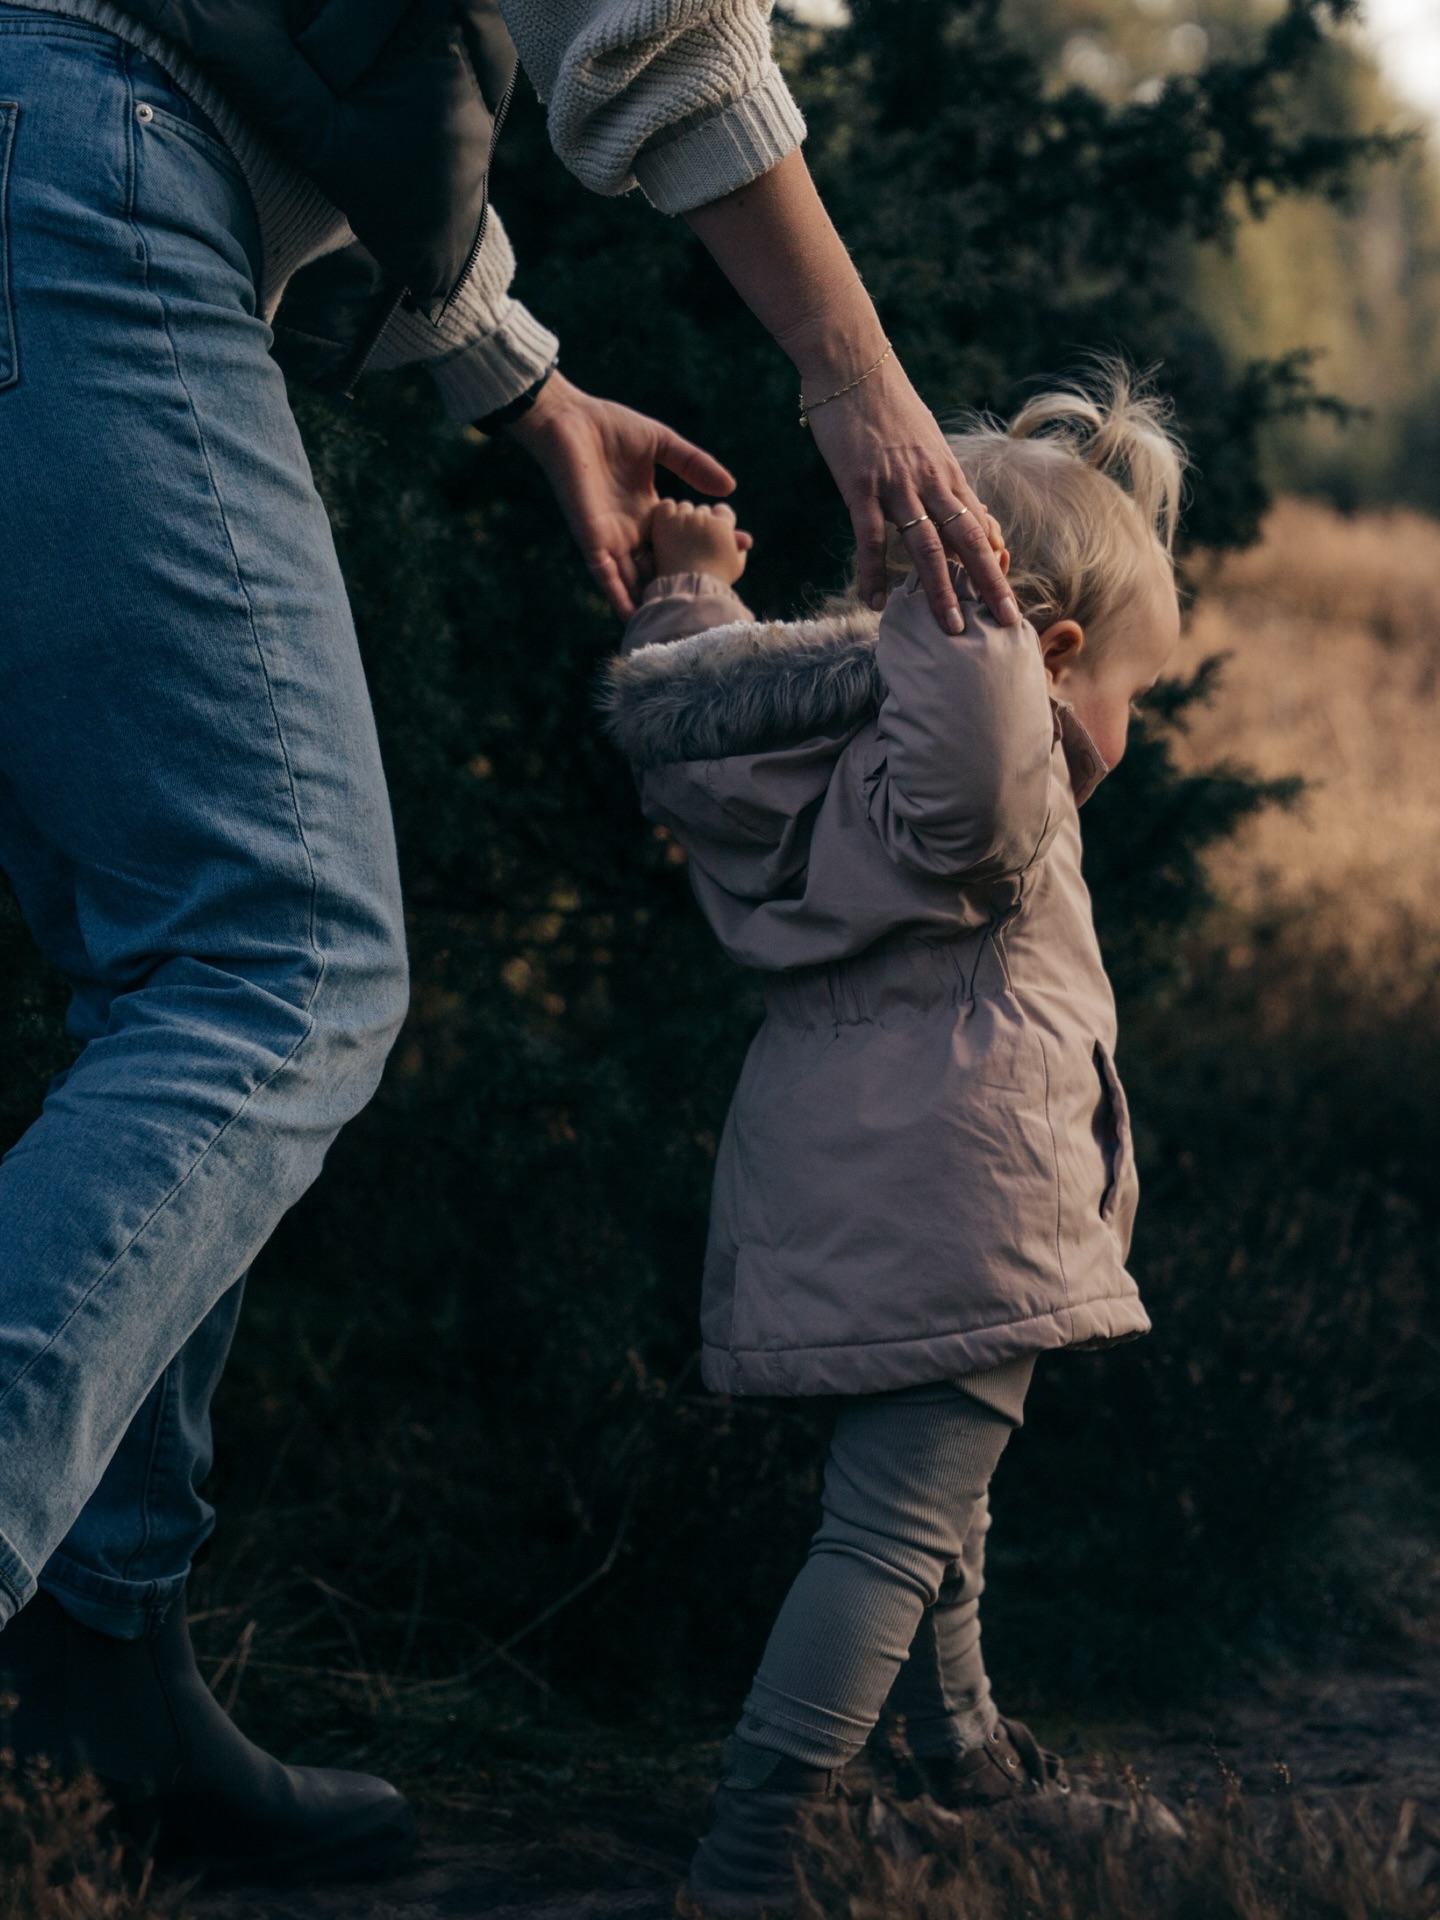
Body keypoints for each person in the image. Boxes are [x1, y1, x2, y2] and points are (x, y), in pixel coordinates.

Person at [0, 0, 1020, 1884]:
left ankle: (97, 1672)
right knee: (278, 963)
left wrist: (521, 384)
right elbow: (650, 29)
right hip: (92, 159)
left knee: (173, 974)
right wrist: (850, 368)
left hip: (80, 150)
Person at [602, 365, 1184, 1917]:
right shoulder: (989, 783)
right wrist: (969, 605)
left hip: (846, 1189)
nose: (1124, 727)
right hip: (961, 1199)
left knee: (934, 1508)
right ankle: (756, 1856)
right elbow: (990, 748)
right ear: (1047, 655)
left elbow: (704, 727)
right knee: (887, 1534)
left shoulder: (820, 756)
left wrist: (686, 601)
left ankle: (967, 1759)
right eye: (1122, 686)